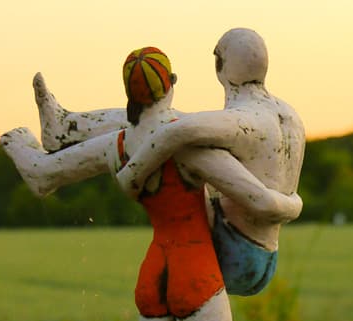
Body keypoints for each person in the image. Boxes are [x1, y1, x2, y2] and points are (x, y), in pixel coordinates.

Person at [1, 46, 296, 321]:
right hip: (195, 279)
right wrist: (293, 204)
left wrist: (25, 147)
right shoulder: (187, 149)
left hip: (151, 281)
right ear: (172, 85)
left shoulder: (120, 145)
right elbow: (257, 199)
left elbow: (48, 175)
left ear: (130, 98)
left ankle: (61, 125)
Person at [28, 27, 305, 296]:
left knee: (155, 122)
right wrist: (294, 202)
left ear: (220, 66)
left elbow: (176, 132)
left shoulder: (244, 119)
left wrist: (131, 175)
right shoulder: (289, 116)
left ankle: (57, 149)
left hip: (232, 251)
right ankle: (65, 127)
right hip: (265, 255)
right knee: (156, 118)